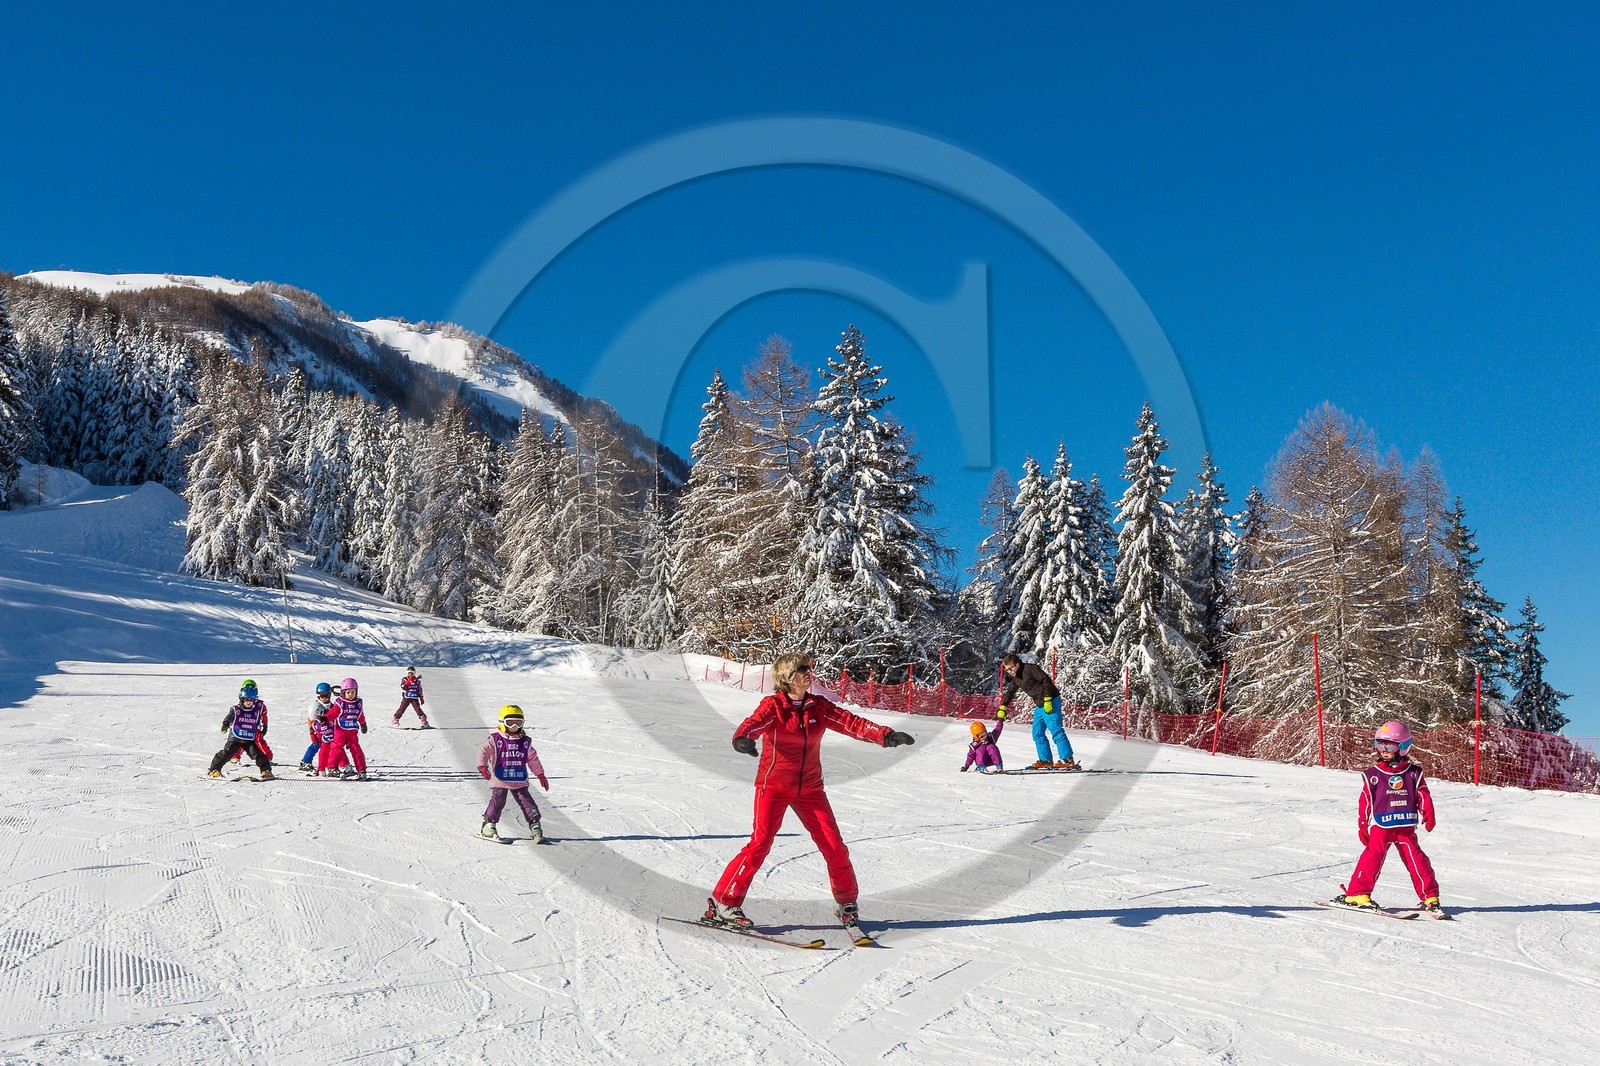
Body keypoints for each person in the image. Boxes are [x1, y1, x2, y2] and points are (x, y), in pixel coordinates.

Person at [708, 652, 915, 931]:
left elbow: (850, 722)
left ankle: (847, 903)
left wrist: (884, 735)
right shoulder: (773, 706)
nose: (810, 672)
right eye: (803, 669)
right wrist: (743, 740)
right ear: (787, 676)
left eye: (810, 668)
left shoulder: (817, 707)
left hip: (810, 789)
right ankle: (726, 901)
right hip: (774, 786)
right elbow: (751, 724)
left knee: (834, 846)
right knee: (760, 843)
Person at [1333, 721, 1442, 914]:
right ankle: (1358, 893)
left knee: (1417, 859)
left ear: (1402, 747)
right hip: (1381, 826)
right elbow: (1365, 801)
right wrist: (1362, 825)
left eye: (1389, 746)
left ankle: (1430, 895)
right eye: (1380, 745)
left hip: (1404, 826)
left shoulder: (1413, 773)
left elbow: (1422, 794)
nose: (1384, 750)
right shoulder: (1373, 775)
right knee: (1372, 858)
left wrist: (1428, 813)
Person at [477, 705, 549, 842]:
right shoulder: (495, 740)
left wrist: (540, 774)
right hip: (501, 778)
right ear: (502, 723)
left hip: (518, 778)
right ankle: (488, 825)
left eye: (518, 723)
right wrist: (482, 766)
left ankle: (535, 826)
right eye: (510, 723)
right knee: (498, 800)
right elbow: (483, 751)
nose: (514, 726)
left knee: (527, 801)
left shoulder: (524, 743)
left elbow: (533, 758)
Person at [999, 653, 1078, 770]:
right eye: (1007, 670)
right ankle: (1046, 760)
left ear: (1017, 664)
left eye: (1011, 668)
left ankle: (1067, 759)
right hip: (1040, 705)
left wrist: (1048, 699)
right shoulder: (1017, 679)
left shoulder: (1031, 669)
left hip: (1050, 700)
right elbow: (1010, 692)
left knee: (1056, 730)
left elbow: (1046, 681)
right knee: (1037, 733)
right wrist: (1003, 707)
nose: (1009, 671)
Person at [207, 680, 275, 779]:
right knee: (227, 753)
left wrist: (264, 727)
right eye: (246, 700)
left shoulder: (255, 711)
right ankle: (214, 769)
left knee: (258, 754)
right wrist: (225, 725)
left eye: (251, 700)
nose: (248, 702)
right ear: (242, 699)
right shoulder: (236, 709)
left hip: (248, 738)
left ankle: (266, 771)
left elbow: (261, 719)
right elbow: (229, 718)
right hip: (235, 737)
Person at [324, 677, 369, 780]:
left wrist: (363, 724)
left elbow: (360, 714)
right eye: (348, 692)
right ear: (343, 692)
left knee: (356, 750)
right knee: (336, 748)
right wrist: (325, 718)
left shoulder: (357, 703)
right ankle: (332, 768)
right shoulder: (340, 702)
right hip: (340, 730)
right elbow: (334, 713)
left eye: (353, 692)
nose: (351, 694)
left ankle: (361, 769)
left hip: (352, 732)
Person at [300, 682, 335, 772]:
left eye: (326, 696)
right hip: (318, 732)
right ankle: (305, 762)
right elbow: (310, 719)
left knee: (331, 748)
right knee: (315, 746)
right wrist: (311, 732)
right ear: (318, 696)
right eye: (322, 696)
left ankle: (330, 764)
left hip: (329, 732)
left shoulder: (333, 707)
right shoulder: (315, 706)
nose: (324, 698)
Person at [960, 709, 1007, 773]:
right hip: (981, 761)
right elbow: (970, 756)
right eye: (981, 736)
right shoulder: (975, 745)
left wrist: (1001, 720)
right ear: (976, 737)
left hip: (991, 759)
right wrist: (966, 766)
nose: (985, 737)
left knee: (991, 747)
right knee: (980, 749)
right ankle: (981, 767)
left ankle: (999, 766)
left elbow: (997, 730)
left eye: (985, 733)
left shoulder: (991, 737)